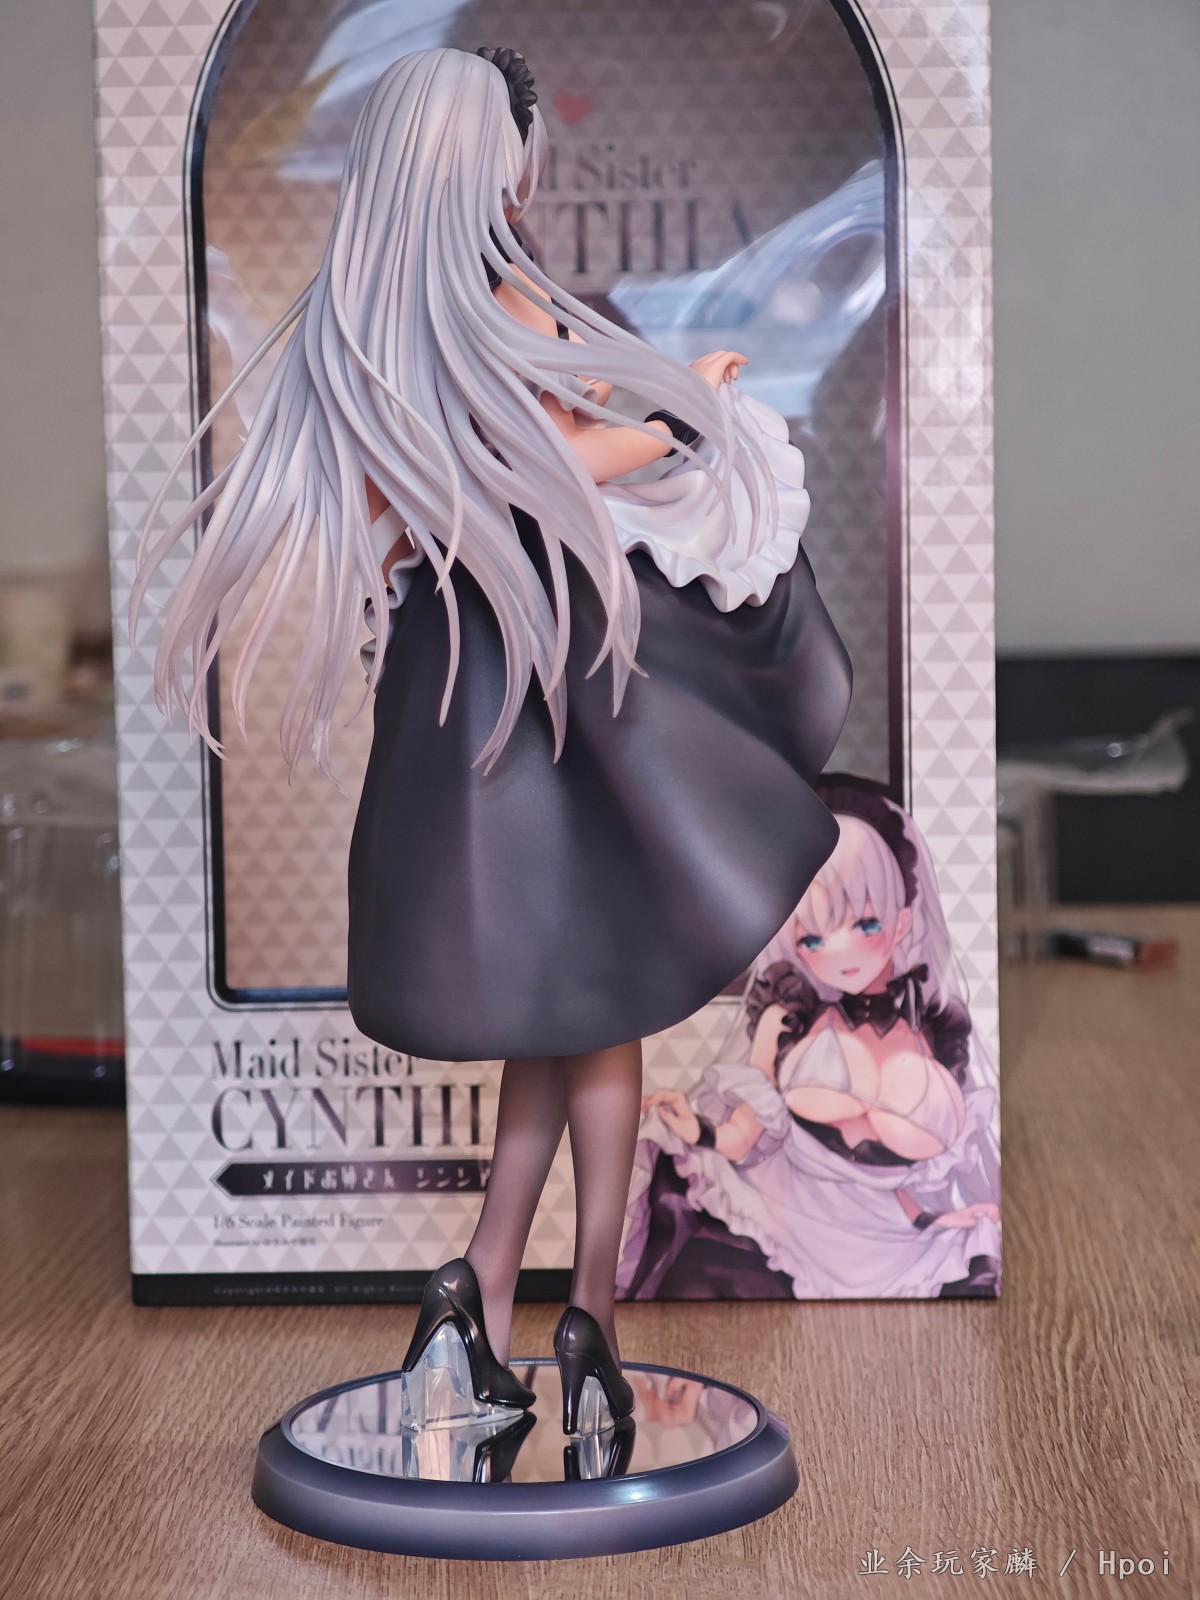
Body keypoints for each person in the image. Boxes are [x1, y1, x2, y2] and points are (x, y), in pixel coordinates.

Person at [132, 46, 851, 1434]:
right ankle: (589, 1319)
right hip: (536, 695)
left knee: (559, 999)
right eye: (520, 155)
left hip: (459, 696)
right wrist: (680, 416)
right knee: (599, 1002)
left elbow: (461, 487)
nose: (528, 179)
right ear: (490, 158)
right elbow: (524, 472)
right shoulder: (479, 306)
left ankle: (478, 1293)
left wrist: (648, 416)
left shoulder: (373, 324)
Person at [621, 778, 1000, 1302]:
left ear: (902, 923)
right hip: (791, 1230)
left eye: (865, 924)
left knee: (974, 1250)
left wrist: (933, 1218)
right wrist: (698, 1130)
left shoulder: (930, 1032)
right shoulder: (791, 1020)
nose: (840, 952)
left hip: (887, 1243)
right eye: (813, 938)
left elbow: (890, 1183)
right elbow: (744, 1138)